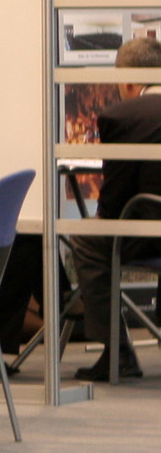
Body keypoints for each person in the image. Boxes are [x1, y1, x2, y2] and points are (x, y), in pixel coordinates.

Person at [66, 35, 161, 380]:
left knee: (86, 240)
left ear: (128, 81)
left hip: (149, 237)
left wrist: (102, 219)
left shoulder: (122, 116)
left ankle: (118, 354)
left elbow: (115, 197)